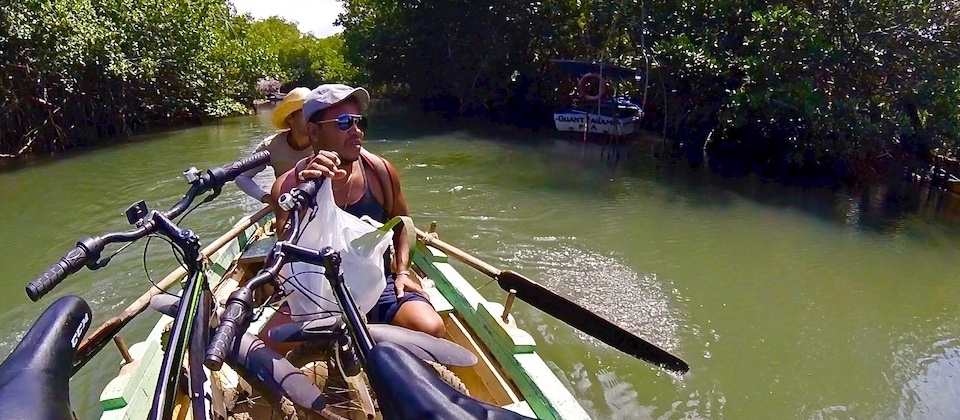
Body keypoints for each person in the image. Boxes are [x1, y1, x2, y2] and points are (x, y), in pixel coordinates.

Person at [260, 83, 446, 354]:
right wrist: (309, 191)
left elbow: (404, 224)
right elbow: (286, 250)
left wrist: (403, 272)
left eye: (360, 122)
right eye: (344, 122)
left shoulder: (380, 171)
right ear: (314, 131)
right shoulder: (287, 186)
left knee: (431, 328)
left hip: (377, 282)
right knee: (263, 351)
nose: (357, 131)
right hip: (317, 293)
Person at [235, 87, 315, 204]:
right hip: (287, 208)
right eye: (306, 113)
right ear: (290, 118)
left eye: (314, 112)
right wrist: (267, 198)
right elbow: (241, 177)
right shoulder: (271, 146)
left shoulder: (326, 141)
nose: (312, 118)